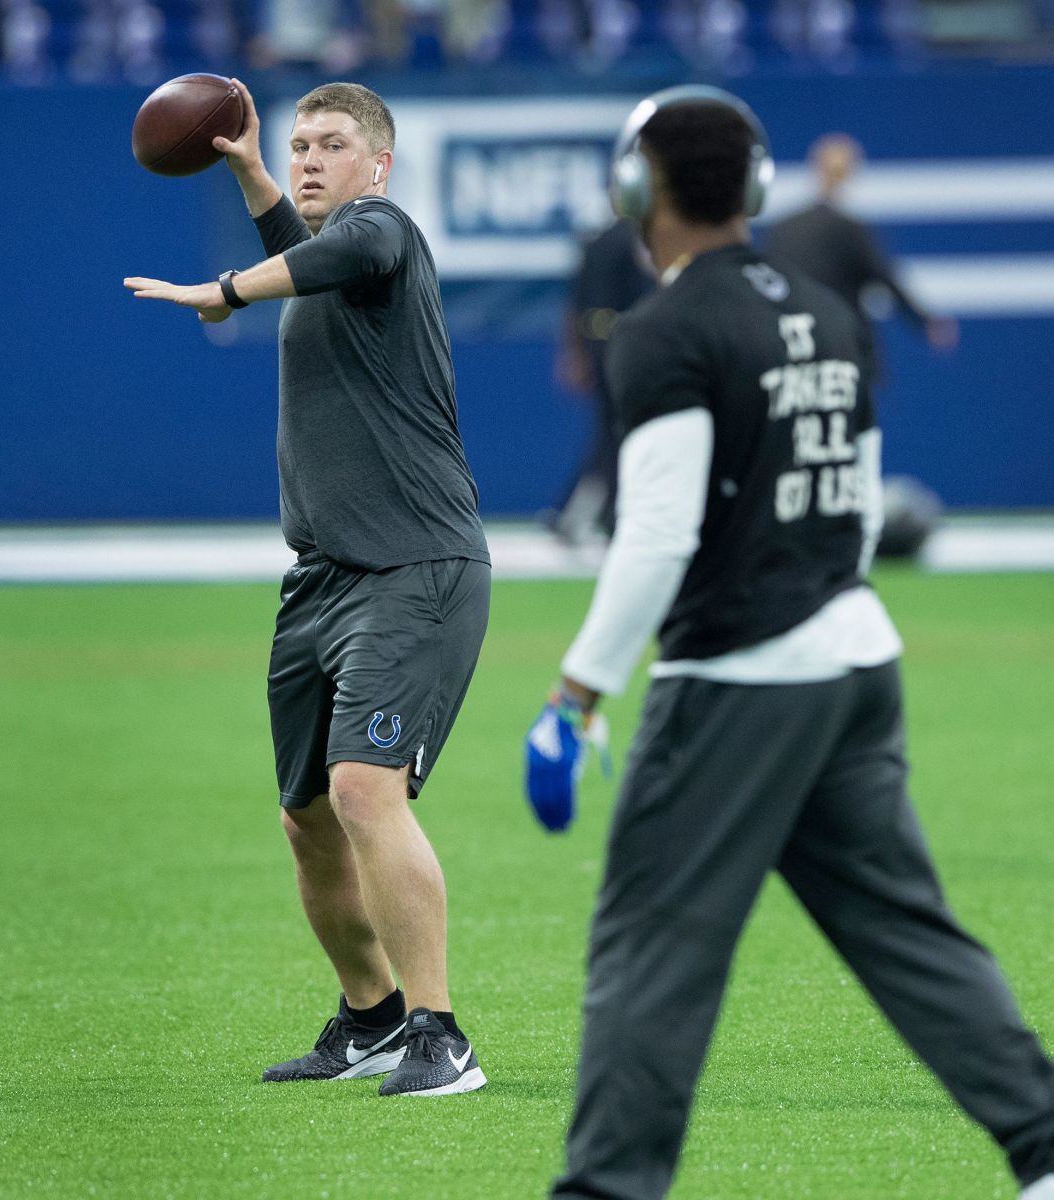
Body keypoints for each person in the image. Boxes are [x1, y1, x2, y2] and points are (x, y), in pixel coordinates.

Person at [524, 85, 1054, 1198]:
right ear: (756, 188)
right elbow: (856, 508)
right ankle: (1046, 1146)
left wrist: (578, 694)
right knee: (908, 936)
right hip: (855, 658)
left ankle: (604, 1189)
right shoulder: (825, 307)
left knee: (652, 948)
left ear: (636, 189)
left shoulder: (666, 328)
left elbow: (657, 532)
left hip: (740, 679)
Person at [125, 79, 490, 1097]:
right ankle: (370, 1017)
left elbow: (350, 249)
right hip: (320, 581)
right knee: (307, 817)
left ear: (378, 163)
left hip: (414, 565)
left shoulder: (385, 232)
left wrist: (227, 288)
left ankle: (439, 1034)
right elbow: (309, 249)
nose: (310, 158)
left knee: (364, 789)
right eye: (297, 146)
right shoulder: (321, 258)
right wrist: (245, 171)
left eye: (332, 144)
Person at [765, 132, 958, 381]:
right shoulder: (849, 229)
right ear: (849, 172)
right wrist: (926, 323)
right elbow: (885, 278)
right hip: (844, 354)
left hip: (792, 354)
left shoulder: (782, 229)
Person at [550, 219, 655, 544]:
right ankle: (602, 514)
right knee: (615, 432)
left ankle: (583, 513)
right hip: (621, 344)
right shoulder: (632, 238)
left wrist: (576, 352)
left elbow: (574, 302)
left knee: (611, 433)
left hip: (601, 343)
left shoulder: (597, 237)